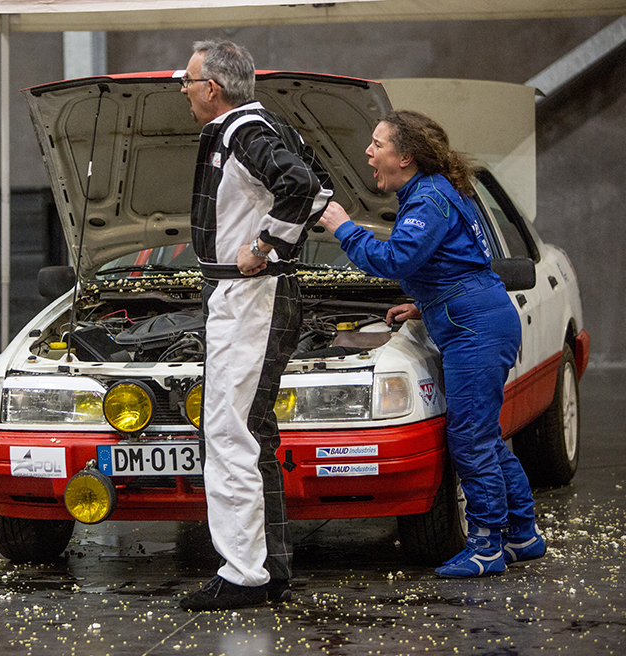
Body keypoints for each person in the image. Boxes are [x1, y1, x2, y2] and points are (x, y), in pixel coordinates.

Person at [317, 109, 546, 578]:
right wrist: (424, 304)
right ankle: (523, 534)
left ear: (405, 156)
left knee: (470, 438)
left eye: (377, 144)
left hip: (475, 328)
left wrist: (343, 226)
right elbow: (459, 262)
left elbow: (395, 259)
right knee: (484, 435)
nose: (368, 152)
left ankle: (485, 548)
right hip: (476, 315)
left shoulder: (427, 201)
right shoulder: (434, 192)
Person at [178, 40, 332, 611]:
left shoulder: (245, 132)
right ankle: (267, 566)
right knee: (252, 431)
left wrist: (265, 243)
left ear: (210, 89)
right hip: (252, 295)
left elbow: (302, 187)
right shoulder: (266, 125)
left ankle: (243, 573)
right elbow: (321, 185)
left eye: (189, 82)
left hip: (250, 295)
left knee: (228, 432)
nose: (187, 92)